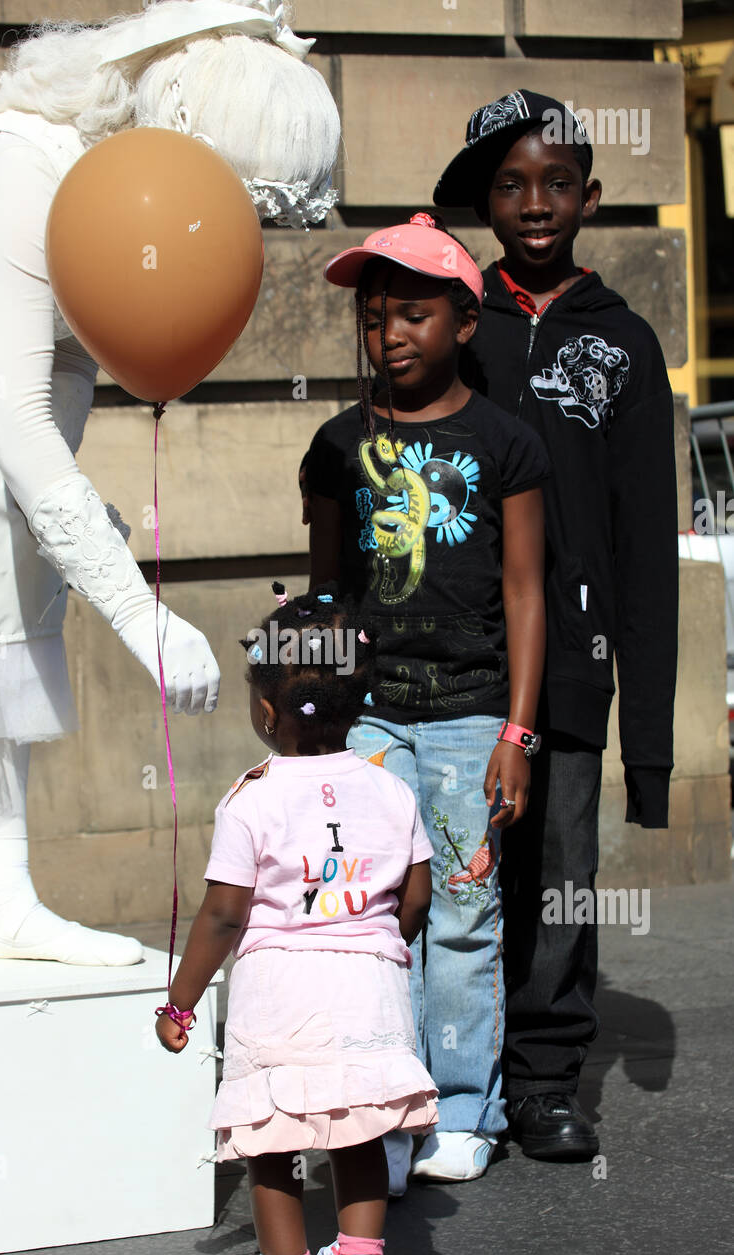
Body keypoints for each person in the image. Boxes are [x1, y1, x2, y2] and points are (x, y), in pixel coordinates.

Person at [0, 0, 340, 987]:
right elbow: (21, 427)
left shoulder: (126, 207)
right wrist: (144, 615)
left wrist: (70, 530)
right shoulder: (18, 171)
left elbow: (65, 382)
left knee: (11, 582)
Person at [432, 90, 678, 1159]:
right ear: (484, 198)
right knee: (452, 866)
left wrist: (652, 753)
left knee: (559, 872)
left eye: (555, 181)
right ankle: (445, 1078)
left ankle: (540, 1079)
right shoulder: (448, 322)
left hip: (570, 659)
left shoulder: (621, 345)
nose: (533, 203)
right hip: (456, 654)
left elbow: (644, 550)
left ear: (589, 193)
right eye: (509, 183)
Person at [302, 214, 548, 1189]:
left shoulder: (505, 444)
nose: (388, 334)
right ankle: (382, 1114)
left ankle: (458, 1107)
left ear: (462, 320)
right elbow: (322, 593)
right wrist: (309, 723)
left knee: (458, 908)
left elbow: (525, 592)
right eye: (371, 319)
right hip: (365, 718)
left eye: (410, 313)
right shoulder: (335, 446)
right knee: (364, 913)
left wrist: (517, 732)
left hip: (467, 715)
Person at [156, 586, 438, 1255]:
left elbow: (223, 914)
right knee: (360, 1124)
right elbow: (417, 898)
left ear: (264, 709)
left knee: (270, 1138)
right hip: (369, 989)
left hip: (278, 993)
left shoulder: (250, 799)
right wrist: (374, 938)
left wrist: (181, 1005)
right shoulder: (392, 791)